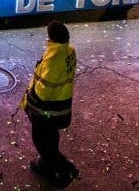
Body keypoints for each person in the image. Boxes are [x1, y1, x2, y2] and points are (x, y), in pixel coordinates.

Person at [21, 20, 79, 187]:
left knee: (41, 141)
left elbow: (43, 91)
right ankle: (45, 166)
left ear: (52, 38)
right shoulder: (69, 50)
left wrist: (31, 96)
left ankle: (64, 170)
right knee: (51, 138)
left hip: (46, 110)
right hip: (61, 107)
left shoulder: (54, 58)